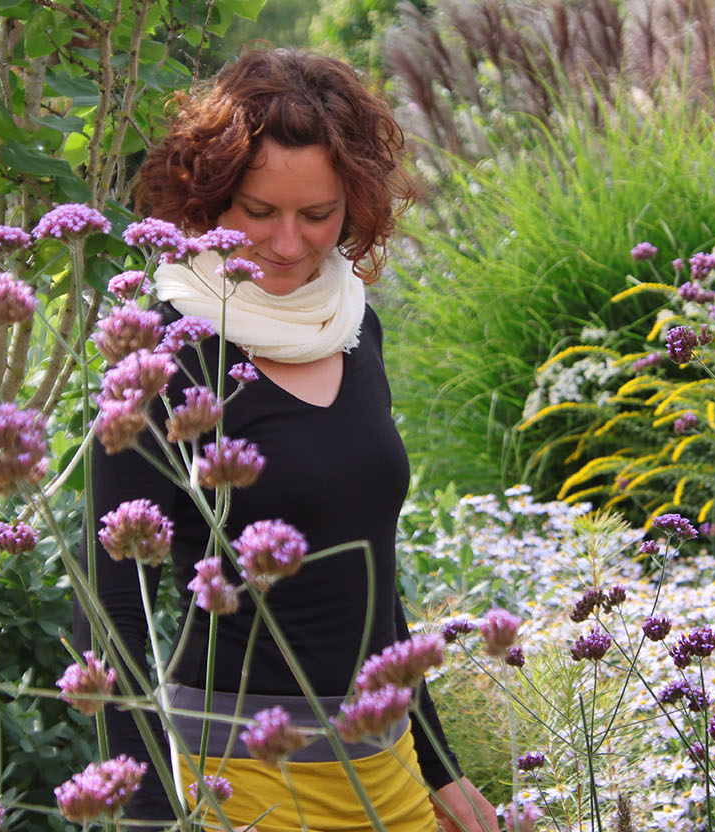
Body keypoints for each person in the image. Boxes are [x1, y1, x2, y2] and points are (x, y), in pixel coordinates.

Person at [78, 49, 499, 831]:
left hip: (390, 765)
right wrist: (143, 816)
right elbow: (109, 611)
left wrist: (441, 769)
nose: (287, 243)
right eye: (258, 209)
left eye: (318, 215)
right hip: (247, 781)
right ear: (208, 197)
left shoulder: (352, 326)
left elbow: (373, 578)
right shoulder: (162, 356)